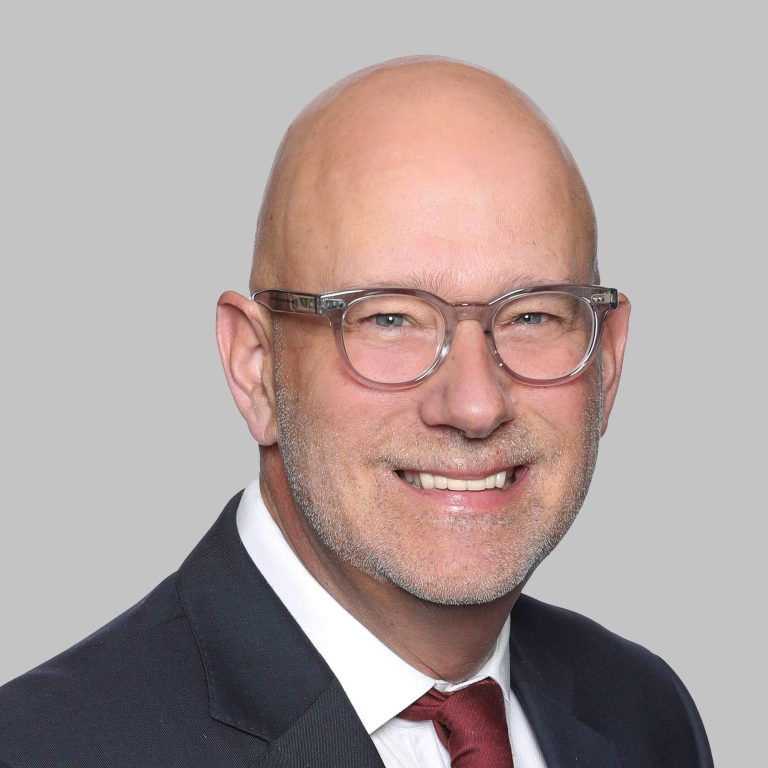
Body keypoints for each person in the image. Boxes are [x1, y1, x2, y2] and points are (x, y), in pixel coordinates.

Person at [0, 56, 713, 768]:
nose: (475, 404)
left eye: (532, 315)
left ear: (607, 361)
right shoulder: (45, 749)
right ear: (257, 368)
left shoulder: (642, 713)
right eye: (389, 319)